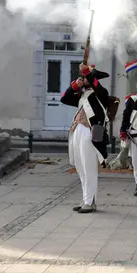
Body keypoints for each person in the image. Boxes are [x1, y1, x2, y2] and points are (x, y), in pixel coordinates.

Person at [61, 63, 110, 214]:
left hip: (90, 132)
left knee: (89, 168)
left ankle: (89, 202)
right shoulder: (82, 95)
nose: (84, 78)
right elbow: (65, 98)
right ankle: (87, 199)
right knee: (81, 167)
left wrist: (87, 73)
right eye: (83, 76)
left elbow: (98, 88)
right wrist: (75, 85)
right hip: (77, 130)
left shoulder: (100, 93)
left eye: (86, 77)